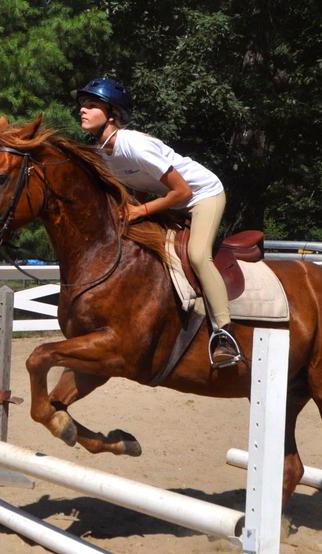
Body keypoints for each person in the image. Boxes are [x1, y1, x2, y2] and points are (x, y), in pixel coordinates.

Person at [71, 76, 242, 368]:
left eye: (91, 105)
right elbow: (138, 184)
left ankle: (224, 333)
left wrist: (141, 211)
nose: (82, 111)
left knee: (199, 256)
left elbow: (183, 190)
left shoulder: (134, 144)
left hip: (203, 195)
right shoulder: (103, 152)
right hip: (171, 200)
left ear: (112, 114)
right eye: (82, 106)